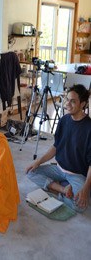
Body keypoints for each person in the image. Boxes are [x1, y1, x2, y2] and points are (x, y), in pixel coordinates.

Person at [26, 84, 91, 212]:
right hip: (59, 169)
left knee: (80, 206)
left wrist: (85, 188)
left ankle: (56, 187)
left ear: (83, 104)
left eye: (73, 101)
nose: (67, 104)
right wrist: (38, 162)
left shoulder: (89, 127)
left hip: (77, 174)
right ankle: (63, 189)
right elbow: (56, 147)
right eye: (67, 99)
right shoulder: (64, 120)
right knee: (30, 172)